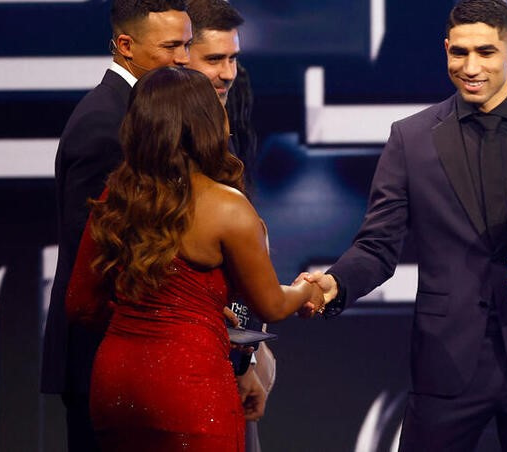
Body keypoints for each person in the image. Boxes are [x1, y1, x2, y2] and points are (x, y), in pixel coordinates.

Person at [305, 0, 507, 451]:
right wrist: (335, 284)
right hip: (446, 363)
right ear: (446, 48)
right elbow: (377, 246)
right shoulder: (411, 139)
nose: (470, 66)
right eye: (459, 52)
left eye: (485, 52)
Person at [65, 66, 330, 450]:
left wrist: (173, 315)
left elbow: (80, 306)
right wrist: (306, 291)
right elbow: (271, 303)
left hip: (116, 382)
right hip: (188, 384)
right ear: (208, 123)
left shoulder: (116, 197)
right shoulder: (227, 206)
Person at [41, 0, 192, 451]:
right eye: (171, 47)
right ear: (125, 46)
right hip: (102, 362)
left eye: (187, 44)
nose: (184, 59)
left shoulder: (139, 113)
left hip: (131, 359)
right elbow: (97, 258)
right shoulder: (105, 125)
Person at [184, 0, 270, 452]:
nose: (228, 73)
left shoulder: (232, 108)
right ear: (180, 54)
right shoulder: (152, 138)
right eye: (214, 59)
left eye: (233, 59)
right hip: (185, 355)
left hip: (233, 347)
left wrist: (250, 353)